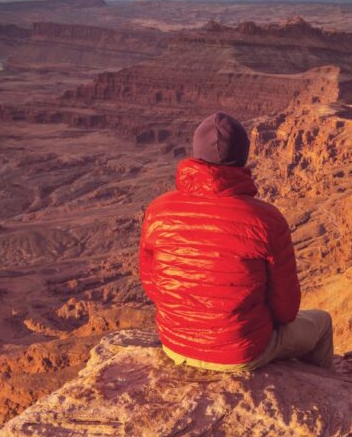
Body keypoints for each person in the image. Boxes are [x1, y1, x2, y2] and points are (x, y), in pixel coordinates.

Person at [138, 112, 334, 372]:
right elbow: (286, 311)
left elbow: (152, 284)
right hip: (240, 352)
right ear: (243, 157)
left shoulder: (158, 210)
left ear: (195, 154)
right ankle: (322, 393)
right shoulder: (266, 220)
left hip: (175, 343)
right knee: (322, 323)